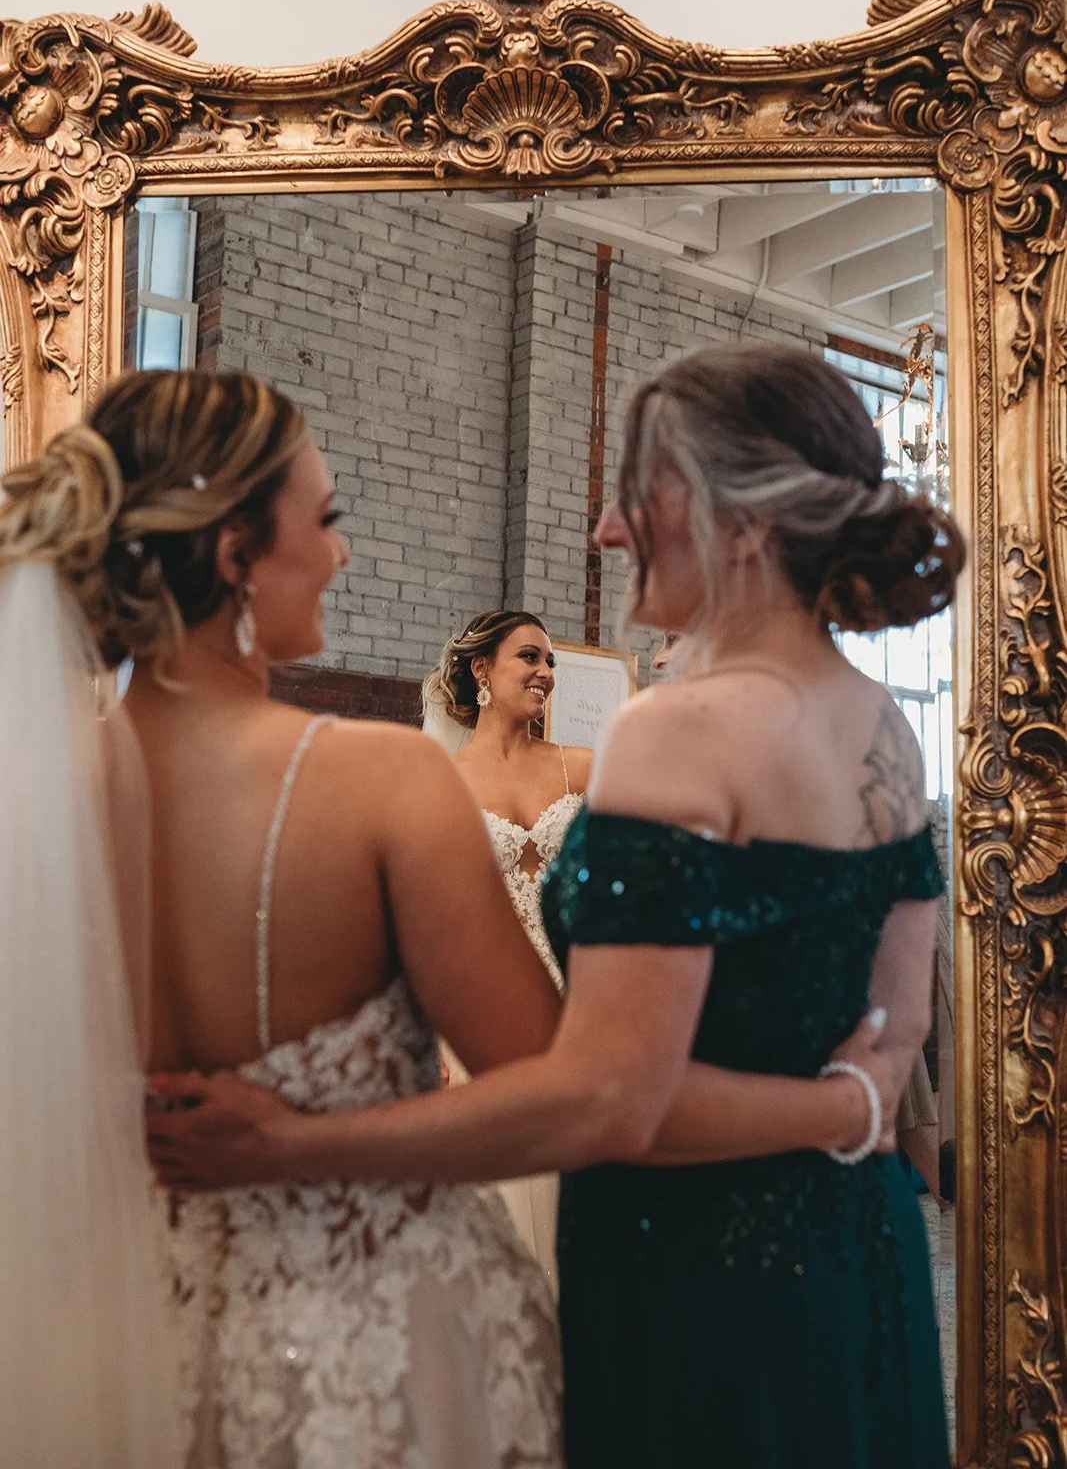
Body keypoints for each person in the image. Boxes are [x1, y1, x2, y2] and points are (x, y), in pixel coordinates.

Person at [150, 345, 964, 1468]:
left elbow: (610, 1099)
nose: (604, 528)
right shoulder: (887, 727)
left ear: (743, 518)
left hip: (701, 1273)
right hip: (860, 1254)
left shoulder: (671, 732)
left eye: (638, 488)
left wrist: (292, 1139)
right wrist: (848, 1116)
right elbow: (896, 1033)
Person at [0, 370, 567, 1469]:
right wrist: (301, 1143)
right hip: (376, 1348)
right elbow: (552, 1099)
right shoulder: (381, 779)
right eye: (326, 520)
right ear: (233, 556)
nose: (343, 553)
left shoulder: (32, 801)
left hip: (123, 1343)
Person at [423, 610, 592, 1281]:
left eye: (550, 662)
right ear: (480, 670)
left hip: (575, 1009)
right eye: (529, 657)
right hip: (481, 1013)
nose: (545, 673)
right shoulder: (441, 780)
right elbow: (435, 921)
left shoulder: (581, 768)